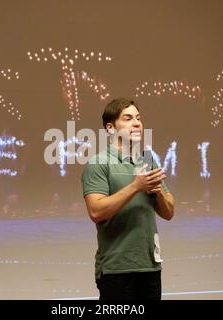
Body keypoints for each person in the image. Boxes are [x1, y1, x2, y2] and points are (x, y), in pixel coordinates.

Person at [81, 98, 175, 300]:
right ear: (111, 127)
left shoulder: (147, 162)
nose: (137, 123)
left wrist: (157, 190)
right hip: (117, 270)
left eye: (139, 118)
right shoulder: (98, 163)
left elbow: (169, 212)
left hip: (150, 266)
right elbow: (96, 211)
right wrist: (136, 186)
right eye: (128, 118)